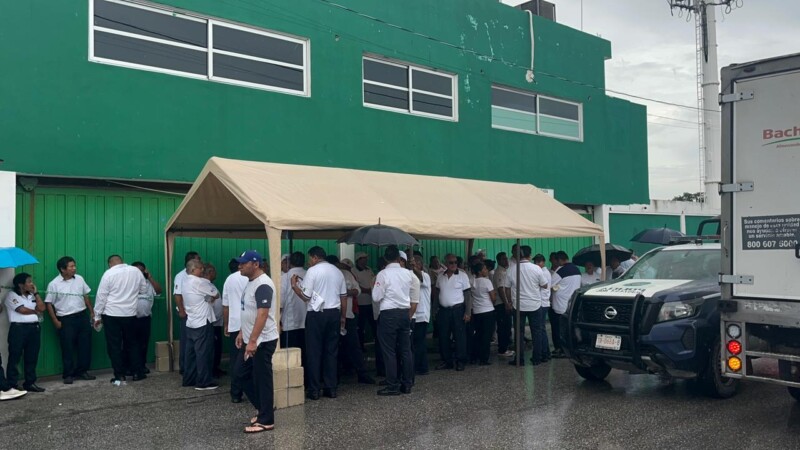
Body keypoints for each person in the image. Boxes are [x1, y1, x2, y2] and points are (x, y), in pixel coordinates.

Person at [291, 246, 346, 400]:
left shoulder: (313, 271)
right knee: (331, 351)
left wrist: (294, 286)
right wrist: (343, 317)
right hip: (334, 313)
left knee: (314, 351)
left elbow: (306, 296)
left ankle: (314, 390)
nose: (309, 262)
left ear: (315, 257)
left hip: (316, 314)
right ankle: (331, 388)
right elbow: (343, 296)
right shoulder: (337, 271)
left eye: (310, 258)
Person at [235, 250, 279, 434]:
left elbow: (263, 313)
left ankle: (266, 419)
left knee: (262, 379)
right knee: (240, 374)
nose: (240, 266)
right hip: (250, 338)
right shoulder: (250, 283)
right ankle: (264, 410)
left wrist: (252, 341)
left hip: (262, 340)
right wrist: (241, 332)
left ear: (255, 264)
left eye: (243, 263)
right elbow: (249, 311)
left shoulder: (263, 284)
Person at [94, 255, 149, 383]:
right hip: (130, 314)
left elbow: (101, 296)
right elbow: (144, 290)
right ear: (122, 261)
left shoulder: (108, 274)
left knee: (114, 346)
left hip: (111, 314)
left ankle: (119, 375)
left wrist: (97, 315)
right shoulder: (135, 271)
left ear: (110, 264)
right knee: (133, 343)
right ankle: (137, 373)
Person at [44, 256, 96, 384]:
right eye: (71, 266)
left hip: (82, 317)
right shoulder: (54, 284)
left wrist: (91, 312)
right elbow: (49, 303)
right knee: (67, 347)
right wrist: (55, 321)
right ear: (62, 269)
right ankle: (68, 374)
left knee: (85, 345)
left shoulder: (79, 279)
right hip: (66, 319)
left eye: (74, 266)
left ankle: (82, 371)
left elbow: (86, 295)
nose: (74, 268)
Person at [372, 246, 414, 395]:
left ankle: (392, 385)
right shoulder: (408, 273)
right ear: (398, 258)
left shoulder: (383, 274)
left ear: (385, 259)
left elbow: (376, 297)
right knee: (405, 349)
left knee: (389, 351)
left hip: (388, 314)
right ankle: (407, 383)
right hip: (404, 313)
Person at [329, 256, 374, 385]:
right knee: (333, 347)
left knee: (354, 346)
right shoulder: (324, 276)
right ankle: (334, 377)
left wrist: (347, 292)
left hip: (348, 315)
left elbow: (357, 290)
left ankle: (361, 373)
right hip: (333, 316)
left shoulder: (347, 274)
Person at [181, 260, 220, 390]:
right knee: (203, 352)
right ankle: (204, 381)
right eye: (200, 268)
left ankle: (189, 378)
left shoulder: (185, 281)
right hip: (203, 321)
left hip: (191, 320)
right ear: (193, 269)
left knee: (191, 353)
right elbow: (215, 294)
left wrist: (206, 298)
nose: (202, 271)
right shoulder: (198, 282)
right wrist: (209, 298)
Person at [5, 273, 46, 392]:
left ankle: (30, 382)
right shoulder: (11, 295)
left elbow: (42, 308)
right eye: (29, 281)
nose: (31, 284)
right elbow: (21, 310)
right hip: (19, 329)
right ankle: (12, 384)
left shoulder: (32, 296)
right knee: (15, 356)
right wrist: (36, 311)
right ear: (20, 284)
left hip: (34, 328)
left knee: (32, 356)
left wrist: (36, 294)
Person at [507, 246, 548, 366]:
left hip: (518, 306)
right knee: (537, 332)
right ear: (529, 255)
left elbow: (507, 288)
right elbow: (545, 285)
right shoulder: (536, 268)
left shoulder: (512, 269)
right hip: (535, 304)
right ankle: (536, 358)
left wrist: (509, 302)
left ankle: (519, 359)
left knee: (518, 333)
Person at [434, 253, 471, 371]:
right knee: (443, 336)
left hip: (458, 310)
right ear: (445, 264)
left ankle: (460, 361)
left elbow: (468, 295)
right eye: (451, 262)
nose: (454, 264)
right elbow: (436, 294)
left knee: (459, 336)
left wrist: (468, 312)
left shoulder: (462, 276)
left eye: (456, 262)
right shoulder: (440, 276)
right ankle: (446, 360)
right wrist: (434, 310)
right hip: (443, 310)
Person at [222, 258, 248, 403]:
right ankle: (252, 390)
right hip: (249, 324)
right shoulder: (251, 278)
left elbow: (226, 306)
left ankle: (236, 393)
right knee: (251, 358)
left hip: (234, 324)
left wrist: (226, 324)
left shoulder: (229, 280)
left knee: (235, 359)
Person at [351, 252, 383, 375]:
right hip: (360, 302)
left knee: (374, 325)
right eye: (363, 259)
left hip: (371, 302)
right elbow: (357, 285)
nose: (365, 261)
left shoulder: (369, 270)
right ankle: (361, 346)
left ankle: (376, 342)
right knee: (360, 326)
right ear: (358, 260)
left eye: (366, 259)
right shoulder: (354, 271)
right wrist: (367, 290)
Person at [130, 261, 162, 375]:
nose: (139, 272)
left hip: (145, 318)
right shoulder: (128, 283)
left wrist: (150, 278)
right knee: (130, 344)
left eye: (141, 270)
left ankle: (141, 366)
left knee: (143, 344)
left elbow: (159, 291)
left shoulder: (148, 283)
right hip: (131, 319)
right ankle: (130, 368)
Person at [550, 251, 582, 358]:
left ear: (559, 260)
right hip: (571, 304)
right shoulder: (577, 270)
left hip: (560, 305)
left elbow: (549, 284)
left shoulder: (561, 270)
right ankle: (570, 348)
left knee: (558, 329)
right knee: (569, 329)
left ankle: (560, 349)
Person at [174, 251, 201, 374]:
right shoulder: (181, 276)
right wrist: (182, 311)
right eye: (198, 259)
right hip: (187, 313)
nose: (200, 261)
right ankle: (184, 367)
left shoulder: (197, 276)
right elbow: (178, 295)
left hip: (198, 314)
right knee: (187, 341)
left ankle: (194, 367)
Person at [280, 252, 307, 356]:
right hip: (307, 321)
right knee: (305, 353)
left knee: (291, 356)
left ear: (290, 263)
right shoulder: (309, 274)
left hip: (289, 322)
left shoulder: (284, 278)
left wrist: (278, 320)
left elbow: (280, 302)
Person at [470, 262, 496, 366]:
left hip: (476, 311)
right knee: (487, 335)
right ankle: (484, 358)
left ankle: (474, 356)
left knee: (478, 335)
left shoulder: (472, 281)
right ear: (480, 272)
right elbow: (493, 297)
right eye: (485, 269)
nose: (487, 270)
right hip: (488, 311)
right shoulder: (487, 282)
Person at [203, 263, 225, 377]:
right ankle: (212, 369)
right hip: (212, 321)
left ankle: (216, 367)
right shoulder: (204, 285)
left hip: (217, 321)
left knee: (217, 347)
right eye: (214, 271)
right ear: (210, 273)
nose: (216, 273)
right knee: (213, 347)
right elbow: (207, 300)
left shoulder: (211, 285)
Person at [411, 254, 432, 375]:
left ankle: (422, 367)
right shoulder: (410, 276)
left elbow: (420, 278)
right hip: (413, 314)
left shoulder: (425, 276)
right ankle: (416, 365)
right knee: (414, 343)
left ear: (419, 265)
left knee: (419, 343)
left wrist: (414, 269)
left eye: (416, 264)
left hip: (421, 315)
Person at [493, 252, 514, 358]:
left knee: (507, 326)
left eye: (506, 258)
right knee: (503, 327)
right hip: (501, 303)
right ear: (499, 261)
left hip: (505, 303)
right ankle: (502, 349)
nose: (506, 261)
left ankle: (506, 347)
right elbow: (501, 289)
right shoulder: (499, 272)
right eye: (503, 259)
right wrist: (506, 303)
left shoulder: (505, 271)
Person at [533, 254, 552, 361]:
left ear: (543, 262)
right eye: (536, 262)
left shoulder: (544, 273)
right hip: (543, 302)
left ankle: (545, 353)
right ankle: (545, 352)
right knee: (541, 329)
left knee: (540, 329)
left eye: (538, 262)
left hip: (542, 303)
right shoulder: (543, 272)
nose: (536, 264)